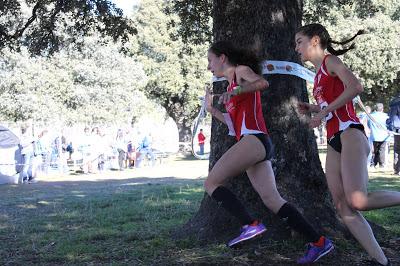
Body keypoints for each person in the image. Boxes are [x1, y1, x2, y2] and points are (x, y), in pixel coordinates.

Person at [205, 40, 333, 264]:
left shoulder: (240, 72)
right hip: (253, 143)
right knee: (272, 199)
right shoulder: (229, 88)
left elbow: (262, 83)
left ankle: (250, 225)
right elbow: (232, 124)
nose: (209, 67)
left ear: (222, 58)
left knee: (211, 183)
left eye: (210, 61)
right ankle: (320, 242)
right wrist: (211, 109)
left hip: (255, 140)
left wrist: (236, 90)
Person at [295, 23, 400, 266]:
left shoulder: (331, 62)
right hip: (334, 140)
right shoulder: (318, 74)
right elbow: (333, 103)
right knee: (343, 208)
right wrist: (315, 109)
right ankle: (381, 261)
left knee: (357, 201)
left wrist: (323, 112)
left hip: (350, 133)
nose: (296, 48)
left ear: (314, 41)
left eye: (299, 42)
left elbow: (355, 87)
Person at [368, 103, 390, 168]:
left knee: (374, 150)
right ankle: (381, 164)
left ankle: (373, 163)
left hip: (374, 135)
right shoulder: (386, 116)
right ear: (382, 109)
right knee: (382, 150)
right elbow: (388, 125)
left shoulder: (371, 116)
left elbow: (369, 125)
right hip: (384, 136)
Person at [387, 94, 400, 175]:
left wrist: (388, 125)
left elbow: (391, 118)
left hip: (398, 130)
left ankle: (397, 169)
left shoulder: (395, 104)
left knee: (397, 149)